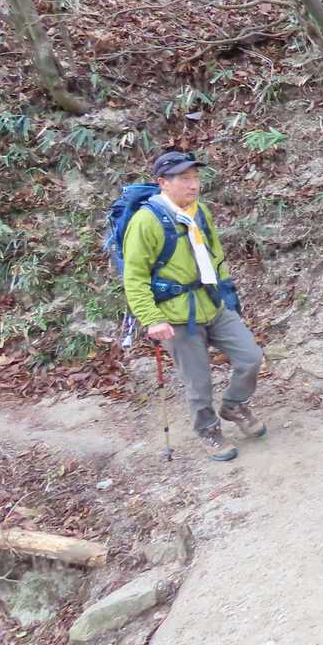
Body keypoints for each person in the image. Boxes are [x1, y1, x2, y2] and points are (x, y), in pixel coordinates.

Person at [122, 150, 265, 462]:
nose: (193, 185)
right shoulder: (145, 222)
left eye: (196, 178)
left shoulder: (199, 211)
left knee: (251, 357)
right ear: (163, 182)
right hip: (176, 315)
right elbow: (134, 277)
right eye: (184, 179)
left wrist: (228, 296)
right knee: (198, 382)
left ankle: (234, 405)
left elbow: (216, 255)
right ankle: (208, 430)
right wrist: (152, 318)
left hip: (212, 304)